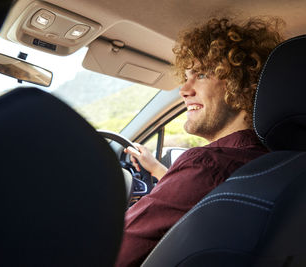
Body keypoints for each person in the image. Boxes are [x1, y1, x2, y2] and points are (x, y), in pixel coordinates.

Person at [115, 16, 284, 266]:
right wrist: (157, 169)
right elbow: (199, 196)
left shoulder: (207, 164)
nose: (184, 89)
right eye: (186, 76)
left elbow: (115, 252)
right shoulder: (276, 163)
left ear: (242, 83)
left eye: (201, 74)